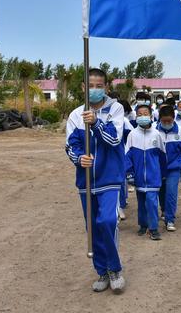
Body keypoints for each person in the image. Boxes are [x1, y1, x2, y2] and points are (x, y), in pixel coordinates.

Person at [65, 68, 126, 293]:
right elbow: (70, 145)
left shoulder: (115, 109)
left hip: (109, 178)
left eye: (100, 86)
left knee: (107, 222)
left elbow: (114, 139)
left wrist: (97, 123)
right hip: (86, 181)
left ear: (106, 88)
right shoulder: (75, 115)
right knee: (92, 227)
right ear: (83, 87)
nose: (95, 89)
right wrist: (79, 158)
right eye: (90, 85)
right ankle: (101, 271)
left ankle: (115, 269)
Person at [125, 104, 166, 241]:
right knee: (141, 202)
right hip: (138, 177)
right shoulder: (132, 135)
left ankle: (153, 229)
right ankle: (143, 225)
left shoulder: (156, 134)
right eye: (140, 114)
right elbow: (127, 156)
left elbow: (162, 156)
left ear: (151, 115)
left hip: (154, 177)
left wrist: (163, 173)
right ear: (136, 117)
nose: (143, 116)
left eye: (145, 113)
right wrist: (130, 173)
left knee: (152, 202)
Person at [157, 105, 181, 231]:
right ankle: (163, 210)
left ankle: (170, 220)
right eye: (164, 121)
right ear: (160, 119)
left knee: (171, 193)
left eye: (169, 120)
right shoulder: (154, 130)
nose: (167, 123)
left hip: (174, 168)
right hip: (158, 169)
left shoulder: (179, 131)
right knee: (161, 192)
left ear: (174, 118)